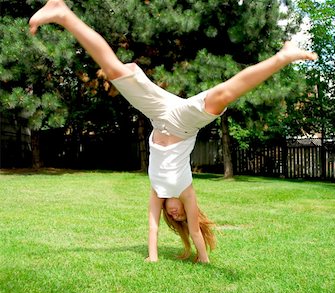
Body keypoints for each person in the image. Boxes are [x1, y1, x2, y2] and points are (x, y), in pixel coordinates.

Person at [29, 0, 318, 264]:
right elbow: (194, 229)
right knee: (224, 94)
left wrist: (152, 257)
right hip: (183, 122)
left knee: (113, 69)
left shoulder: (157, 190)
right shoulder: (186, 190)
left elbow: (152, 225)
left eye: (172, 214)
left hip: (158, 115)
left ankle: (63, 13)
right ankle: (283, 56)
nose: (174, 213)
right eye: (176, 214)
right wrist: (203, 258)